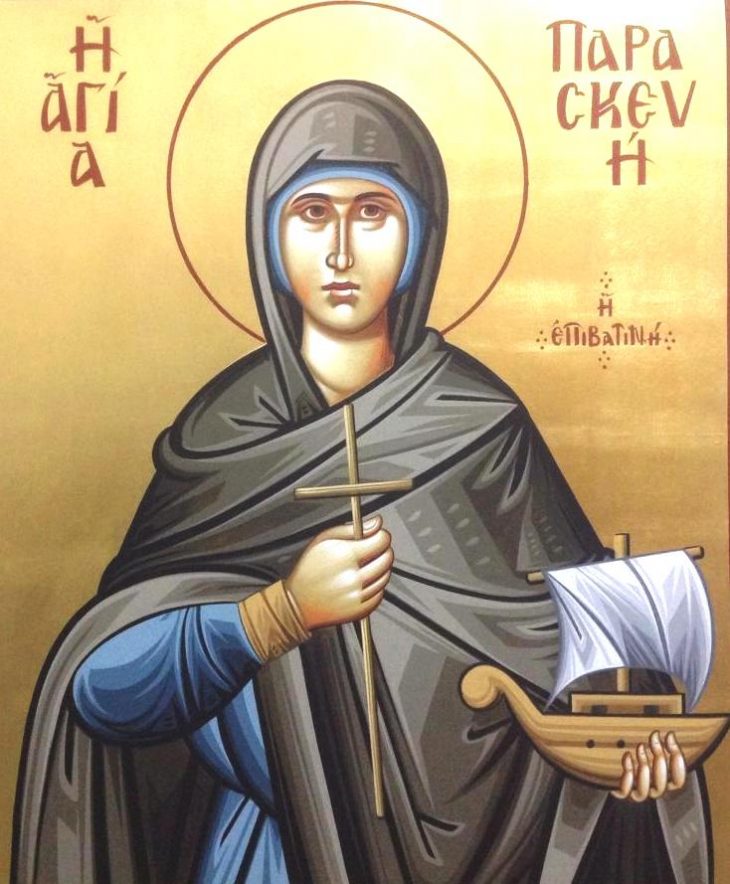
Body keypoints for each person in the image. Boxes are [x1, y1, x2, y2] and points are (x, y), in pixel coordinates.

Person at [13, 81, 711, 884]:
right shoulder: (223, 442)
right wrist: (277, 614)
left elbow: (589, 668)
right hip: (271, 857)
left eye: (372, 212)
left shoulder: (482, 430)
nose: (340, 252)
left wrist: (630, 762)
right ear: (267, 236)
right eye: (312, 213)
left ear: (419, 235)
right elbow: (103, 691)